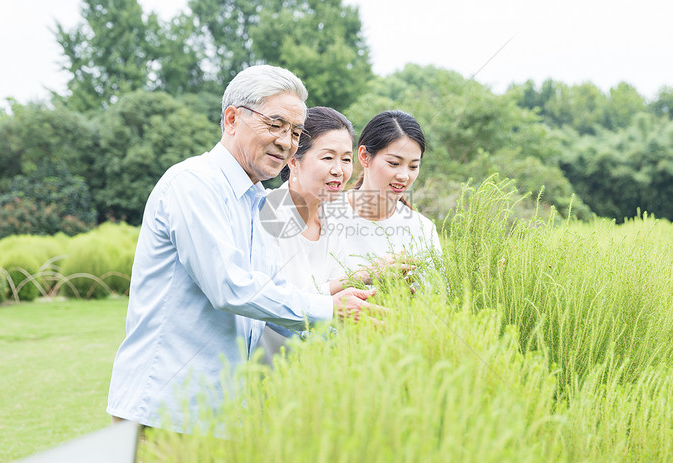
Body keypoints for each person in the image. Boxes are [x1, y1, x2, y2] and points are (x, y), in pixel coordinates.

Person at [106, 65, 381, 433]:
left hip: (218, 414)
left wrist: (357, 322)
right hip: (166, 411)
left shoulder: (254, 201)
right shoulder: (194, 185)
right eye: (275, 124)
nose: (286, 141)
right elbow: (230, 288)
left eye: (296, 132)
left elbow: (268, 302)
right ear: (232, 119)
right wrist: (329, 308)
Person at [257, 107, 356, 363]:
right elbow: (277, 303)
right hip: (265, 373)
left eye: (346, 159)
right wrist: (356, 278)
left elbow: (344, 303)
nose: (339, 170)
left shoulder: (337, 218)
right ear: (293, 160)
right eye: (327, 158)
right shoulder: (268, 213)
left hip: (319, 374)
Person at [325, 110, 441, 282]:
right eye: (394, 163)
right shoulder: (324, 215)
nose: (404, 175)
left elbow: (437, 299)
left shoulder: (423, 229)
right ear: (364, 156)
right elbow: (303, 295)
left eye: (413, 166)